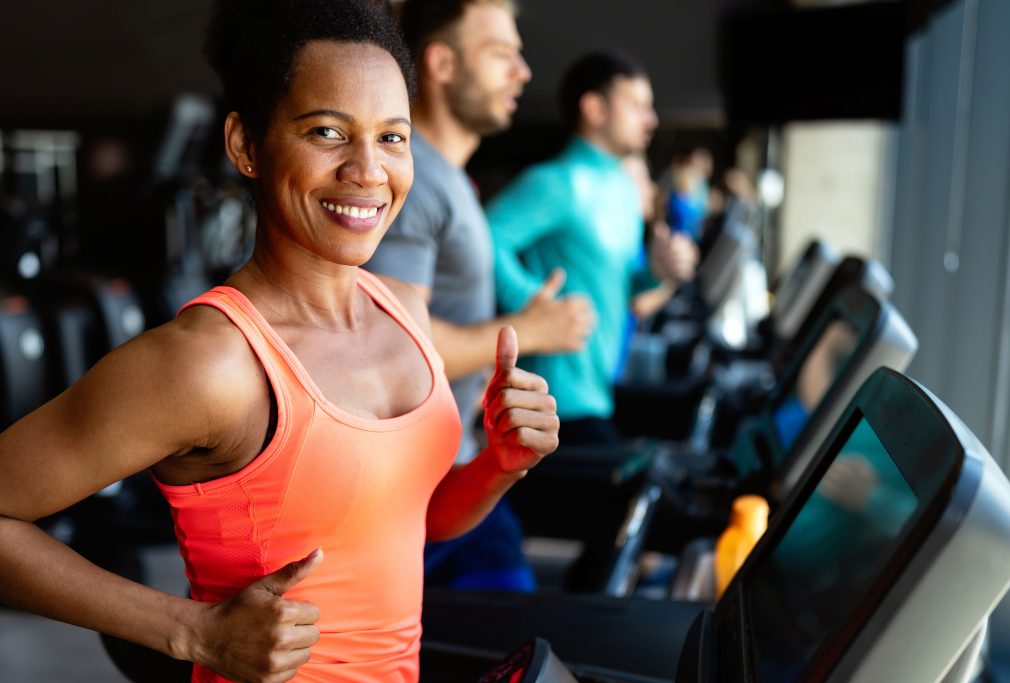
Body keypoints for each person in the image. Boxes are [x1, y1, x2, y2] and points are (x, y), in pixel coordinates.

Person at [0, 2, 558, 682]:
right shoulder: (209, 363)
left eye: (392, 137)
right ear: (244, 145)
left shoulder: (406, 312)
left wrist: (499, 463)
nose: (367, 170)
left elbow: (411, 522)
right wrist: (190, 631)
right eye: (327, 132)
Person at [364, 0, 592, 592]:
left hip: (457, 472)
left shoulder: (447, 178)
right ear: (441, 64)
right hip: (418, 493)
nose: (522, 72)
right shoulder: (414, 180)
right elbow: (391, 343)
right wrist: (531, 330)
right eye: (500, 55)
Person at [487, 51, 697, 447]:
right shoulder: (557, 182)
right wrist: (533, 306)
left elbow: (619, 285)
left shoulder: (621, 187)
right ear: (594, 108)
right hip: (552, 405)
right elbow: (482, 238)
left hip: (599, 390)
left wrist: (656, 270)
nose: (650, 119)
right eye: (636, 105)